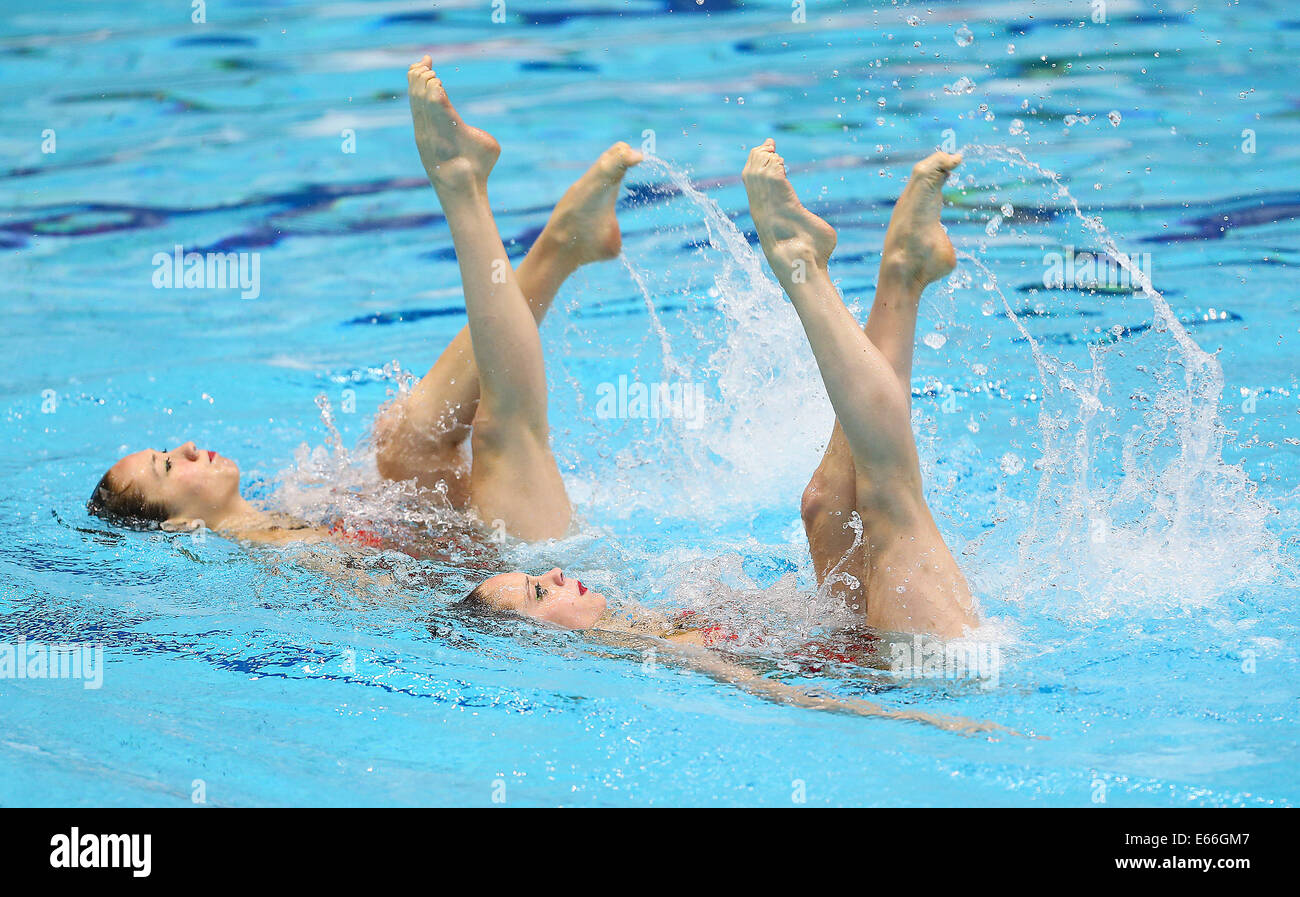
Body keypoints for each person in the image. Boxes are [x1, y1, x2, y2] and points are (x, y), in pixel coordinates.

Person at [474, 143, 978, 642]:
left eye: (537, 578)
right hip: (918, 672)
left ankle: (904, 273)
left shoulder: (642, 625)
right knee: (889, 500)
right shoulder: (656, 657)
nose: (555, 574)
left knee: (826, 505)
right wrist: (928, 722)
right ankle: (810, 269)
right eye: (539, 593)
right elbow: (787, 701)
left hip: (851, 650)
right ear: (546, 645)